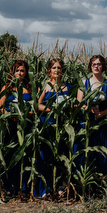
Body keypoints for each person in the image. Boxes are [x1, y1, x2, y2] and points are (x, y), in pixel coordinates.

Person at [36, 58, 72, 198]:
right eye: (54, 68)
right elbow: (37, 105)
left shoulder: (67, 87)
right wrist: (51, 110)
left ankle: (60, 188)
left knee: (61, 157)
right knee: (46, 156)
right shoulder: (45, 86)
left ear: (62, 71)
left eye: (59, 68)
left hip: (62, 125)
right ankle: (44, 189)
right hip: (48, 123)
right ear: (49, 71)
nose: (56, 70)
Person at [76, 55, 107, 177]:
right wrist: (88, 109)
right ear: (90, 66)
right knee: (85, 151)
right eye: (94, 64)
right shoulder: (84, 83)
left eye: (99, 64)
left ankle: (100, 182)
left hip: (102, 123)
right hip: (87, 123)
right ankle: (83, 182)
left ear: (103, 66)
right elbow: (78, 103)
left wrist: (102, 113)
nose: (96, 67)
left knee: (101, 152)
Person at [0, 60, 33, 196]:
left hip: (25, 125)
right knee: (10, 155)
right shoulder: (7, 88)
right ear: (12, 73)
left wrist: (25, 116)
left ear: (26, 73)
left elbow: (33, 106)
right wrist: (11, 116)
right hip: (10, 126)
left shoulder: (29, 88)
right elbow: (0, 107)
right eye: (17, 70)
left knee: (25, 155)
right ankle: (8, 186)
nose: (19, 73)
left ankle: (22, 187)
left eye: (22, 70)